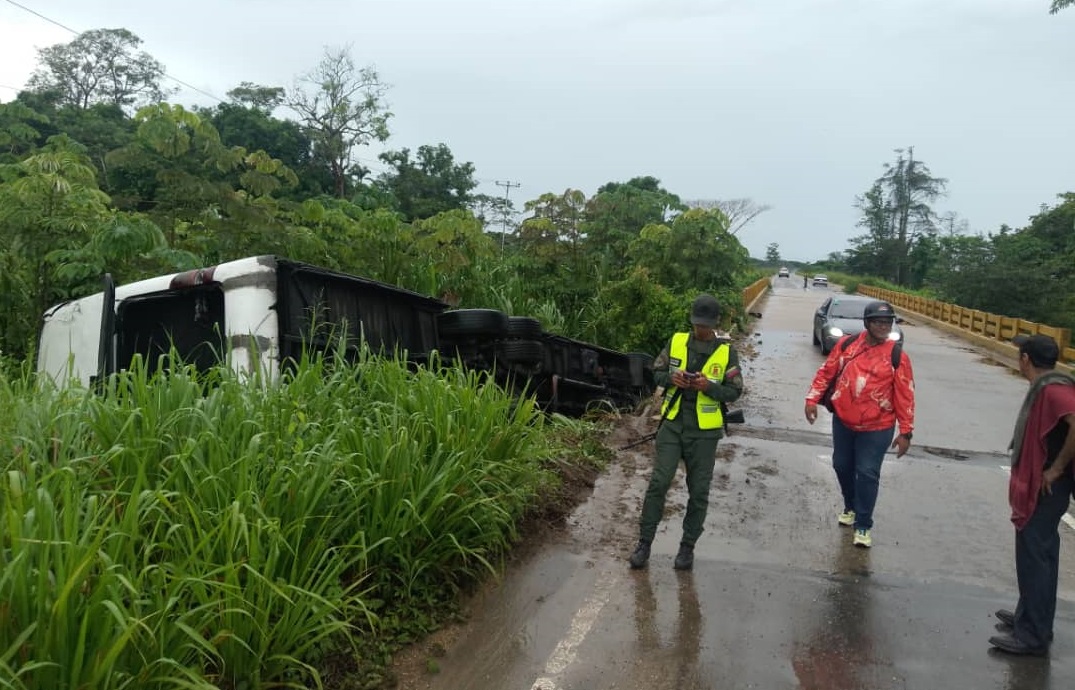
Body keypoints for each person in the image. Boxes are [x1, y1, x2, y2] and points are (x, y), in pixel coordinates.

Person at [628, 294, 744, 571]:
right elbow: (655, 372)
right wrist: (672, 378)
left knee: (699, 491)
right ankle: (644, 543)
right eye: (697, 324)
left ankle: (687, 547)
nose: (701, 329)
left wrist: (709, 387)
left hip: (704, 433)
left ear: (715, 323)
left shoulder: (727, 352)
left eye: (706, 325)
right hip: (673, 424)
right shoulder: (677, 341)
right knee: (659, 482)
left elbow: (735, 391)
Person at [988, 334, 1075, 657]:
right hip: (1046, 485)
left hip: (1048, 487)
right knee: (1039, 556)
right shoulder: (1049, 385)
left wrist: (1055, 469)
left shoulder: (1054, 390)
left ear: (1025, 358)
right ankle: (1029, 618)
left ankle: (1033, 636)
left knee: (1035, 559)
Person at [803, 300, 914, 548]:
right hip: (844, 420)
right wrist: (811, 399)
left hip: (878, 426)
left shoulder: (897, 356)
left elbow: (905, 394)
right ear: (867, 323)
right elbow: (827, 372)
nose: (883, 326)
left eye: (887, 322)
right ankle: (851, 506)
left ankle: (863, 524)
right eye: (878, 322)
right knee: (841, 465)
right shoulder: (847, 345)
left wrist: (906, 431)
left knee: (867, 472)